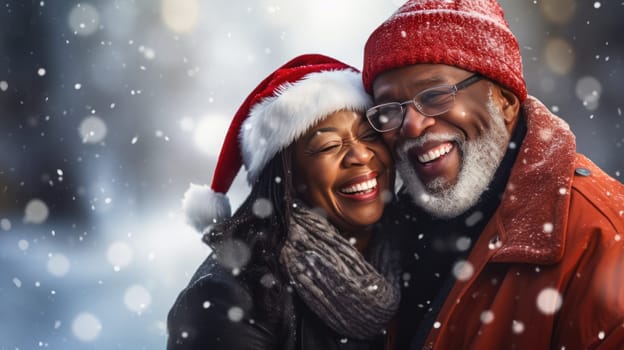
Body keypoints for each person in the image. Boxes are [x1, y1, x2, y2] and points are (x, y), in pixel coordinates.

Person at [361, 1, 624, 349]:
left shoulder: (601, 236)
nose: (411, 125)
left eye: (435, 95)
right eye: (390, 109)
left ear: (504, 100)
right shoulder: (382, 237)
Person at [167, 54, 401, 350]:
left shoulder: (417, 245)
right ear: (287, 176)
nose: (362, 155)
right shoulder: (226, 299)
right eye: (329, 145)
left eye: (370, 135)